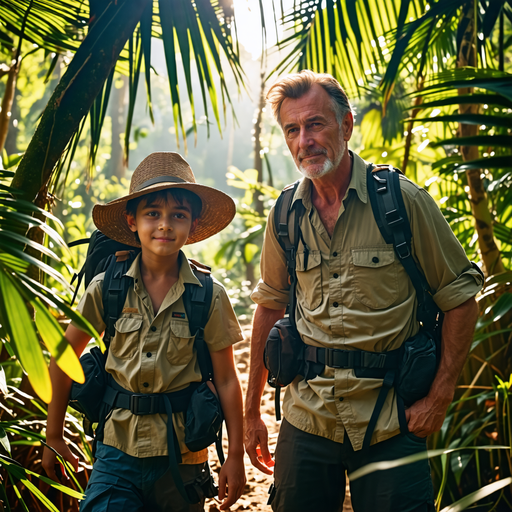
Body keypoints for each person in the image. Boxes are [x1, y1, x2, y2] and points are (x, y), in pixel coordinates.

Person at [244, 70, 484, 512]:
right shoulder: (284, 215)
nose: (305, 141)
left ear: (346, 125)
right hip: (307, 415)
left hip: (391, 418)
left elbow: (460, 298)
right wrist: (251, 413)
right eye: (292, 130)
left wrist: (440, 396)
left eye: (316, 124)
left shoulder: (400, 202)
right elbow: (270, 306)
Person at [42, 152, 246, 512]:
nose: (165, 225)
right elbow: (63, 358)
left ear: (192, 224)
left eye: (177, 215)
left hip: (183, 459)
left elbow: (228, 380)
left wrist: (234, 457)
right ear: (132, 220)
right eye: (153, 213)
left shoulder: (208, 295)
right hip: (115, 453)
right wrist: (54, 434)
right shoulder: (108, 288)